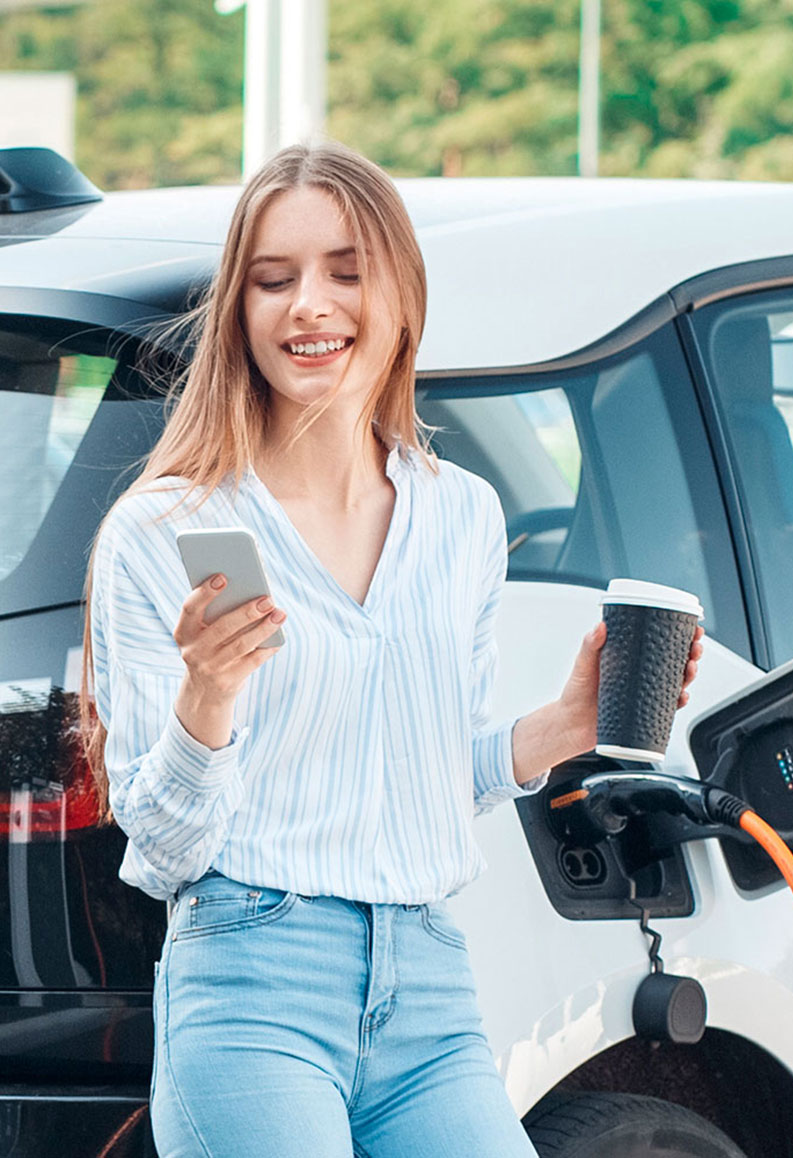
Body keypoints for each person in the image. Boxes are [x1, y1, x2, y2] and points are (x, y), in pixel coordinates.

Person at [80, 139, 705, 1158]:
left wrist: (565, 726)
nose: (307, 307)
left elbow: (424, 772)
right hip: (252, 988)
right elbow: (163, 849)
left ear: (402, 299)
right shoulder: (166, 533)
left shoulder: (458, 518)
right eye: (273, 280)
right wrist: (207, 700)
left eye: (345, 272)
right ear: (240, 311)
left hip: (426, 987)